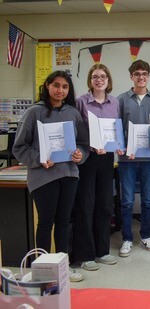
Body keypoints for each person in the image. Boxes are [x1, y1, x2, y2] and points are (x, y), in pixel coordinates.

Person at [12, 70, 89, 282]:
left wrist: (80, 154)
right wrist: (39, 159)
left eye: (65, 87)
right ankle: (43, 271)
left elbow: (83, 144)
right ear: (47, 86)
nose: (60, 90)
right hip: (43, 177)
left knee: (64, 221)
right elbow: (19, 147)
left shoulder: (73, 113)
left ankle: (62, 267)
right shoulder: (33, 112)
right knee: (45, 223)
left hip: (69, 175)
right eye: (56, 85)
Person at [73, 64, 119, 272]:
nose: (99, 80)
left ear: (108, 79)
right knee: (86, 206)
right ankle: (85, 255)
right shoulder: (81, 102)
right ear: (90, 81)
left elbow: (116, 130)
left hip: (107, 158)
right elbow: (76, 132)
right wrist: (89, 146)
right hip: (88, 159)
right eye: (95, 77)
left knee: (104, 205)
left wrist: (118, 144)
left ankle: (102, 251)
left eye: (102, 76)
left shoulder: (114, 102)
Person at [117, 60, 150, 257]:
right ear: (131, 76)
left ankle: (146, 235)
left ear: (149, 76)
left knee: (148, 200)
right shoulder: (121, 99)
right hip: (127, 159)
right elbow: (117, 127)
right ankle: (126, 238)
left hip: (149, 159)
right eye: (137, 74)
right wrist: (119, 146)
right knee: (126, 201)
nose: (141, 77)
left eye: (144, 73)